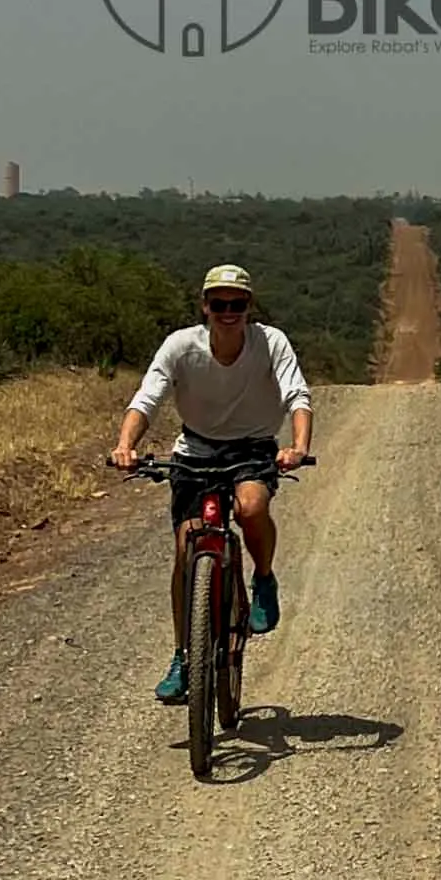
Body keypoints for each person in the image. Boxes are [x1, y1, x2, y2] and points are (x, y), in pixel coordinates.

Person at [111, 263, 313, 703]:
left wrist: (296, 446)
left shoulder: (270, 342)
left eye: (236, 304)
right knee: (187, 548)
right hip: (197, 450)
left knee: (251, 507)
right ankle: (185, 655)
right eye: (218, 303)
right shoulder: (181, 346)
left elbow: (296, 394)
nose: (227, 312)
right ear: (205, 306)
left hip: (253, 447)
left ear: (248, 307)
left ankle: (262, 579)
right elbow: (148, 397)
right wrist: (125, 444)